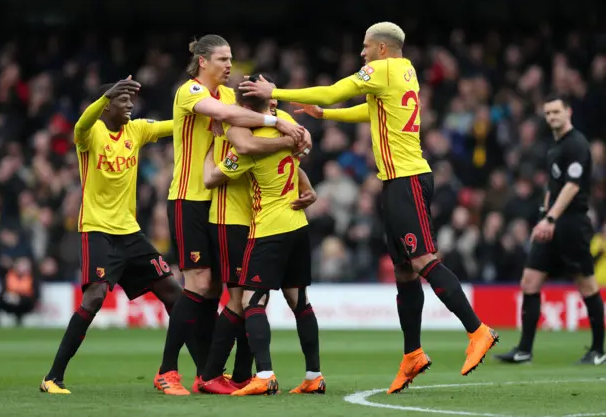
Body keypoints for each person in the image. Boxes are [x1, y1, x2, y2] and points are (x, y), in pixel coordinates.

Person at [240, 22, 499, 393]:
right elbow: (369, 112)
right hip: (397, 182)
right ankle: (412, 354)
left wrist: (275, 91)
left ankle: (478, 330)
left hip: (406, 179)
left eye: (365, 47)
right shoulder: (405, 72)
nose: (361, 52)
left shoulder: (383, 68)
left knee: (423, 260)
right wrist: (324, 116)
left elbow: (332, 91)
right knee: (404, 271)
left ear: (381, 48)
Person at [155, 35, 310, 396]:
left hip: (221, 206)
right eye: (223, 58)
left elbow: (245, 127)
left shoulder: (228, 95)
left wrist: (296, 153)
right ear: (202, 61)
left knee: (220, 291)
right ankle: (167, 371)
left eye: (231, 58)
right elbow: (228, 119)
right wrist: (276, 122)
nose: (229, 65)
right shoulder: (190, 92)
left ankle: (213, 372)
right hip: (189, 198)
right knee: (199, 284)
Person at [40, 77, 193, 394]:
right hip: (97, 231)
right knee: (94, 297)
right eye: (123, 100)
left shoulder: (135, 130)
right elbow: (80, 124)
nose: (130, 105)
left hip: (131, 234)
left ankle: (190, 372)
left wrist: (208, 112)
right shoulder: (91, 132)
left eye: (130, 101)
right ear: (107, 103)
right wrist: (104, 95)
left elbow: (173, 125)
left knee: (174, 294)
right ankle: (53, 377)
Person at [202, 81, 325, 397]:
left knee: (251, 300)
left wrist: (207, 148)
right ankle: (314, 375)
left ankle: (265, 375)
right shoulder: (294, 133)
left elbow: (211, 178)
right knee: (300, 302)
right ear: (270, 106)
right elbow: (306, 146)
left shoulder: (251, 145)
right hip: (298, 224)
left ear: (244, 110)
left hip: (269, 229)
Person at [495, 94, 605, 365]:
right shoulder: (555, 147)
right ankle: (524, 350)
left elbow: (572, 186)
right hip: (552, 223)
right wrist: (543, 217)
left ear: (568, 112)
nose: (552, 117)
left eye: (556, 112)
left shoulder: (577, 144)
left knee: (586, 285)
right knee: (529, 282)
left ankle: (599, 350)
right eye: (548, 113)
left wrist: (552, 219)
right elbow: (552, 188)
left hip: (572, 224)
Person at [0, 257, 39, 327]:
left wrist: (19, 298)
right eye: (20, 265)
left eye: (24, 265)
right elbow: (3, 290)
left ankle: (19, 320)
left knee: (25, 301)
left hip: (25, 303)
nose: (22, 268)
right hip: (10, 300)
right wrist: (9, 296)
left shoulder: (32, 278)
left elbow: (36, 295)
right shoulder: (8, 276)